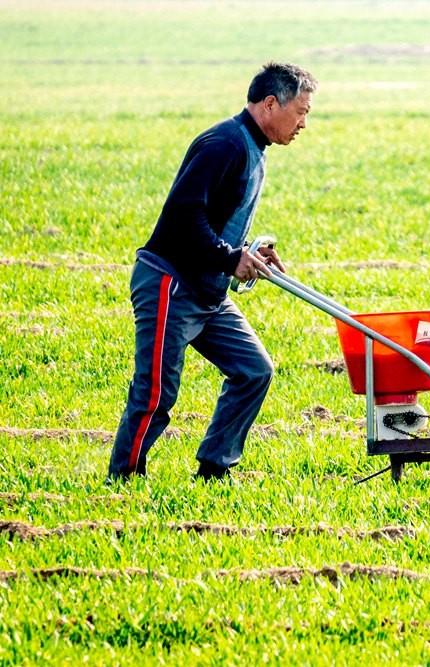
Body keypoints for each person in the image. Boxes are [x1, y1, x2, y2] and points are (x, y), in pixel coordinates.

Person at [107, 62, 316, 481]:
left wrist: (249, 250)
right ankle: (123, 480)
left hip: (209, 291)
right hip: (171, 282)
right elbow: (184, 216)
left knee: (254, 371)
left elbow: (217, 220)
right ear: (271, 104)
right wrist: (228, 258)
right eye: (301, 111)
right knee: (155, 394)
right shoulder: (224, 144)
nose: (304, 123)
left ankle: (214, 468)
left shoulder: (254, 149)